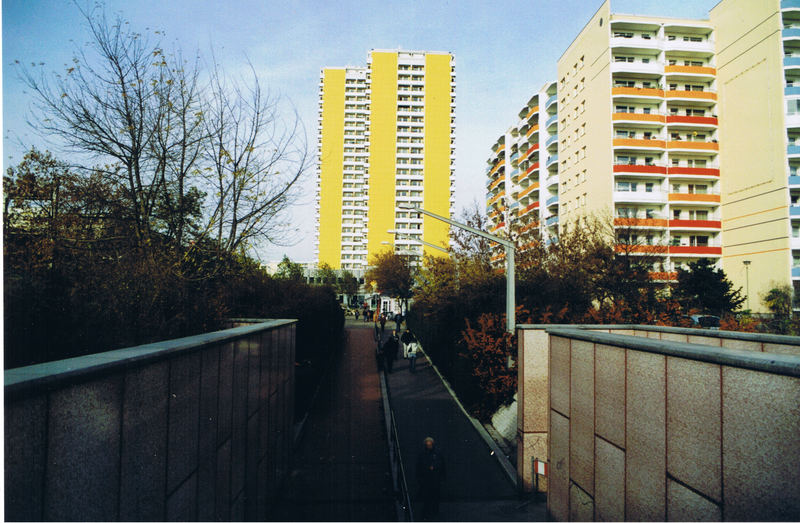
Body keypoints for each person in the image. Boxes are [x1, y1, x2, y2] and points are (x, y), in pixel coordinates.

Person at [416, 436, 445, 520]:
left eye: (430, 444)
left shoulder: (435, 453)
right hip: (428, 478)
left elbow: (441, 464)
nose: (429, 446)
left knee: (434, 494)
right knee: (429, 495)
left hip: (433, 477)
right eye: (428, 445)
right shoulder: (426, 454)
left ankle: (432, 510)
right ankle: (430, 510)